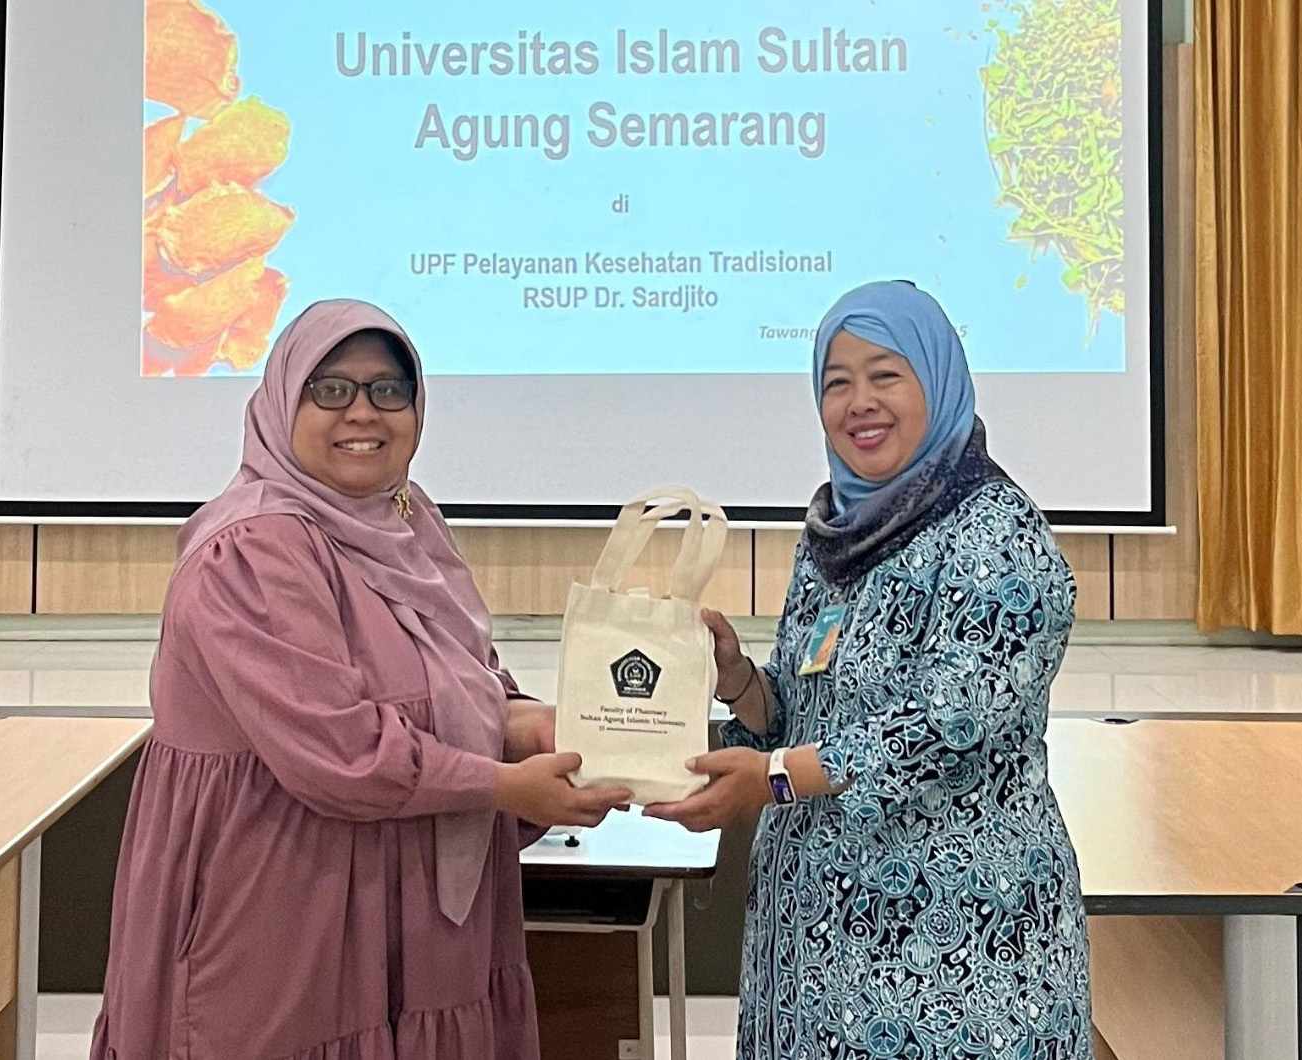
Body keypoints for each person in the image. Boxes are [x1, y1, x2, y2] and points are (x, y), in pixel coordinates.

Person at [92, 299, 631, 1060]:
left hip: (401, 901)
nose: (363, 412)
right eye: (331, 389)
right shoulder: (253, 548)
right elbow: (338, 750)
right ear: (284, 402)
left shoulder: (407, 519)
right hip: (280, 907)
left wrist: (531, 722)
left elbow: (461, 679)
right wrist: (507, 785)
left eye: (388, 389)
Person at [645, 281, 1093, 1059]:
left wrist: (776, 778)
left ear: (937, 381)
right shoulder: (837, 531)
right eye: (836, 382)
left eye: (886, 376)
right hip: (815, 959)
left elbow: (949, 726)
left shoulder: (997, 535)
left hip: (955, 965)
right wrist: (737, 678)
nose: (860, 403)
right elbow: (805, 711)